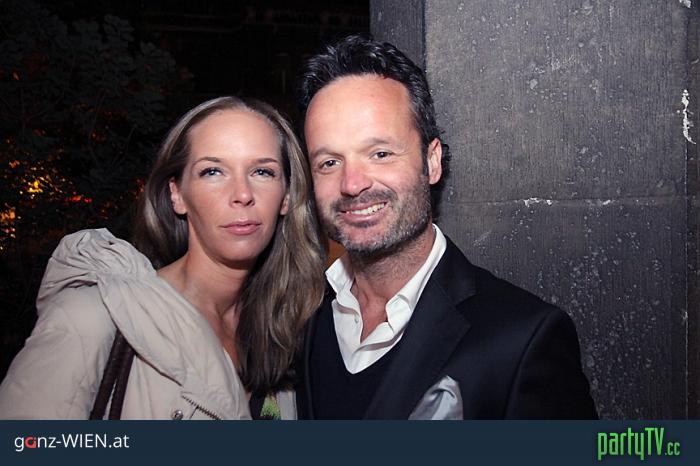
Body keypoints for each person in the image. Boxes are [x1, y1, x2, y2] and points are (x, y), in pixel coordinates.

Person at [296, 35, 598, 419]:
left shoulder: (521, 340)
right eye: (329, 162)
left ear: (432, 161)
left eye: (380, 153)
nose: (352, 184)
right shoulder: (300, 321)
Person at [0, 96, 325, 419]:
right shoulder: (92, 318)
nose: (242, 194)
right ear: (177, 194)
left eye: (262, 172)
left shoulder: (290, 331)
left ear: (286, 196)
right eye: (213, 171)